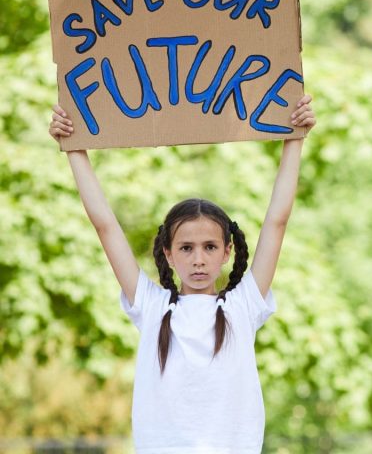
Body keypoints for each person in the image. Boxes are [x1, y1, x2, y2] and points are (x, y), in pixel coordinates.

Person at [48, 96, 315, 454]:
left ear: (226, 251)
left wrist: (294, 137)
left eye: (209, 247)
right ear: (169, 254)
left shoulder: (244, 305)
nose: (199, 259)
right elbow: (105, 226)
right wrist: (74, 147)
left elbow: (277, 220)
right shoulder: (151, 306)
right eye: (187, 248)